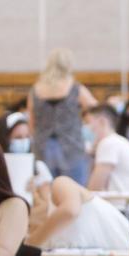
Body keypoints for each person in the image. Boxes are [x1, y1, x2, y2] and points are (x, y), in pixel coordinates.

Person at [28, 48, 98, 182]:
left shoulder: (35, 90)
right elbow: (96, 110)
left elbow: (31, 122)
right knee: (75, 190)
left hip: (42, 146)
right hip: (71, 146)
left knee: (46, 191)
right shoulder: (75, 88)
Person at [0, 111, 54, 208]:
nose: (23, 141)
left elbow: (49, 207)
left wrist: (35, 193)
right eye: (18, 137)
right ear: (4, 139)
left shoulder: (39, 168)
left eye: (27, 137)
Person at [86, 106, 129, 196]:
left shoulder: (109, 143)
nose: (87, 128)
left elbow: (94, 188)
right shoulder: (117, 141)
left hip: (125, 207)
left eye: (89, 123)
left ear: (102, 121)